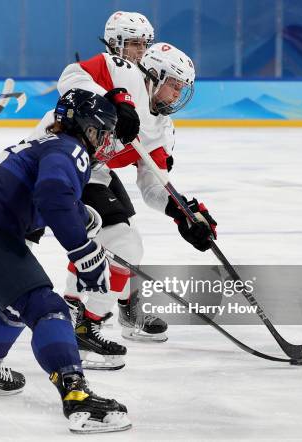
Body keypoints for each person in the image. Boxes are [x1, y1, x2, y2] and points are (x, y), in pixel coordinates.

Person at [0, 88, 131, 433]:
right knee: (47, 307)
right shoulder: (69, 148)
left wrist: (74, 212)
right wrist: (82, 251)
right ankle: (76, 396)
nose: (105, 142)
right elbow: (53, 192)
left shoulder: (44, 145)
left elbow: (36, 193)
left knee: (13, 305)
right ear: (84, 128)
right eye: (102, 132)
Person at [27, 33, 217, 369]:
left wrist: (183, 212)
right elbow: (70, 78)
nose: (177, 94)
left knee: (126, 244)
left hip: (91, 172)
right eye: (174, 84)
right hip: (51, 155)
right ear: (154, 75)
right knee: (13, 245)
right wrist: (116, 99)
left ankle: (87, 322)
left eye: (181, 88)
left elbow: (153, 185)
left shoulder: (162, 129)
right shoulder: (123, 71)